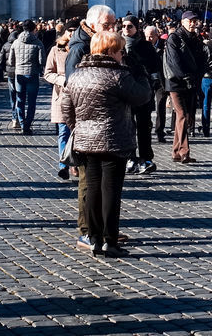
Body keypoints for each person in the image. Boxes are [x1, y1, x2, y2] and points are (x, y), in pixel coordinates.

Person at [60, 30, 152, 257]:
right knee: (110, 190)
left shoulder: (77, 75)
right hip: (114, 140)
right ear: (110, 52)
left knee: (92, 188)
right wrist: (140, 73)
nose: (123, 55)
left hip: (86, 141)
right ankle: (110, 241)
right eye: (120, 51)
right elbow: (142, 96)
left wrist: (79, 128)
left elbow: (66, 108)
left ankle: (93, 238)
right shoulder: (118, 75)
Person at [122, 15, 161, 175]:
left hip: (143, 91)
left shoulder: (145, 46)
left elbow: (156, 66)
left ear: (137, 28)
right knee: (127, 126)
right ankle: (130, 157)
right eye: (123, 26)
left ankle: (146, 158)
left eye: (129, 26)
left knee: (144, 126)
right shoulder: (117, 44)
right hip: (125, 92)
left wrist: (152, 83)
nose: (126, 29)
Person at [163, 11, 202, 165]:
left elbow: (199, 59)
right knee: (183, 114)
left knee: (184, 117)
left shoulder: (195, 38)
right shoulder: (174, 38)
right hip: (176, 82)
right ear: (183, 22)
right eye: (190, 21)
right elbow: (175, 62)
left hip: (191, 82)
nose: (193, 24)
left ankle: (176, 151)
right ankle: (184, 152)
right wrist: (186, 77)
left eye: (195, 21)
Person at [43, 26, 73, 180]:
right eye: (70, 30)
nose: (72, 33)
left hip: (79, 96)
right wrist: (62, 80)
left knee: (78, 133)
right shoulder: (56, 50)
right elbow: (47, 73)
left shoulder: (84, 47)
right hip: (61, 94)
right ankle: (63, 165)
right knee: (63, 132)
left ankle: (75, 163)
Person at [7, 21, 44, 135]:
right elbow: (42, 61)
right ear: (34, 29)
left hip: (19, 74)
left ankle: (22, 123)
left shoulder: (16, 42)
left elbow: (10, 61)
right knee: (32, 101)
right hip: (32, 74)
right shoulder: (38, 43)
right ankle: (27, 125)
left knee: (20, 99)